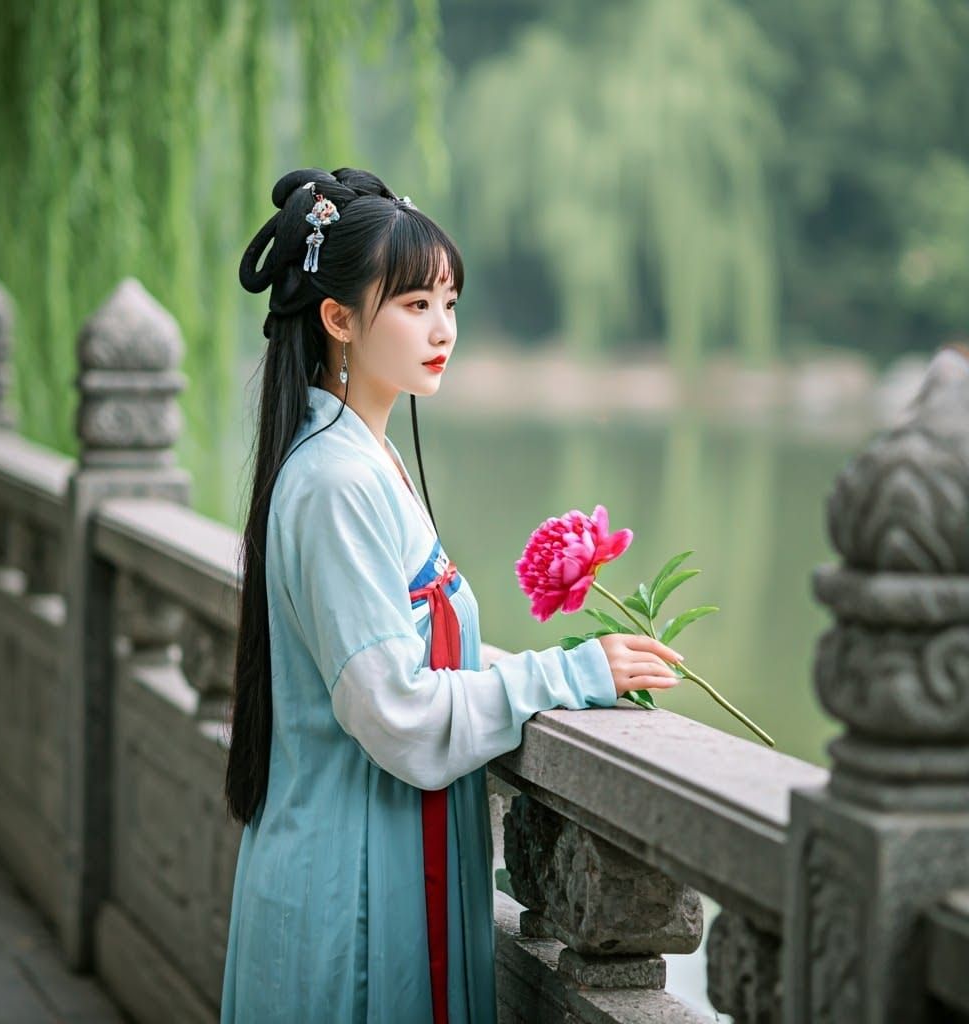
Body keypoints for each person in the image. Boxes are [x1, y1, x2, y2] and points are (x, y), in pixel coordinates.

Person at [219, 166, 684, 1024]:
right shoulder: (335, 483)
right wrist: (565, 675)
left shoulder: (361, 460)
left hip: (365, 863)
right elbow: (396, 710)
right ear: (338, 319)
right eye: (414, 304)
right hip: (350, 893)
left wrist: (559, 668)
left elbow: (417, 657)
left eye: (450, 302)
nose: (444, 330)